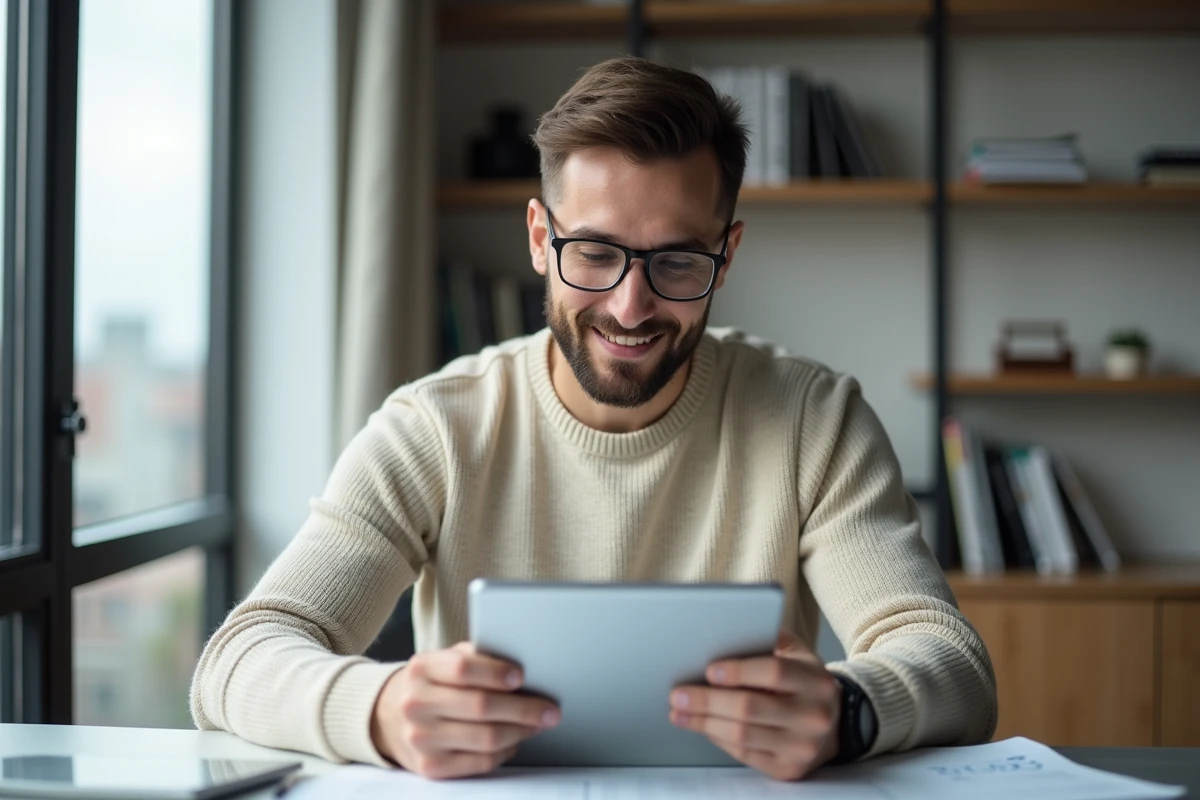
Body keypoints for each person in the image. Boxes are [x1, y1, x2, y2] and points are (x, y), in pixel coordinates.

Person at [191, 56, 997, 782]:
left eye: (677, 260)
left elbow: (954, 665)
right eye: (595, 253)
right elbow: (237, 660)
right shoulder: (435, 427)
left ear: (728, 252)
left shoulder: (814, 419)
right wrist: (379, 709)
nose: (630, 304)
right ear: (541, 239)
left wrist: (849, 710)